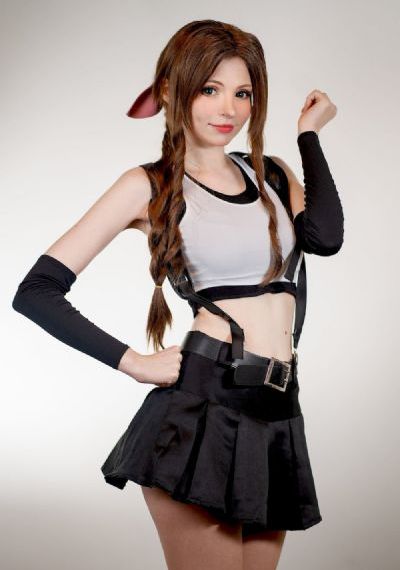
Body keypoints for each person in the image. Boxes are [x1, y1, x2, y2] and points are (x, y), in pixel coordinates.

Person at [11, 19, 344, 570]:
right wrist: (133, 362)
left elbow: (325, 238)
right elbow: (36, 291)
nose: (228, 109)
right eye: (209, 89)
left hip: (278, 410)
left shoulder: (272, 175)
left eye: (243, 93)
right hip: (202, 408)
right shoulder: (146, 186)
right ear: (170, 91)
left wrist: (309, 136)